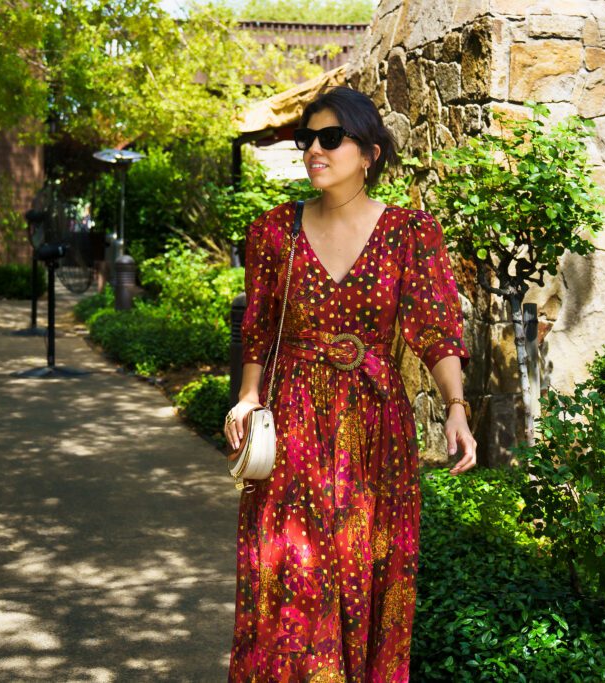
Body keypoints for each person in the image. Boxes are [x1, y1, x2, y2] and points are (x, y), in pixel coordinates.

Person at [224, 86, 476, 682]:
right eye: (306, 138)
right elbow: (259, 326)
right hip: (293, 425)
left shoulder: (409, 233)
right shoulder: (273, 233)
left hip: (375, 431)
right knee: (291, 570)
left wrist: (456, 407)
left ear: (370, 153)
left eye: (331, 137)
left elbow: (436, 329)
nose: (314, 148)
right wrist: (248, 394)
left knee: (366, 569)